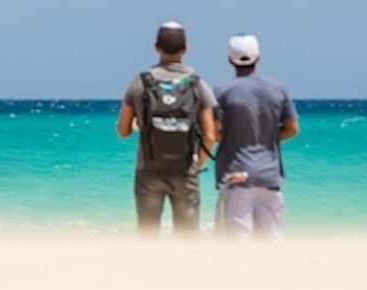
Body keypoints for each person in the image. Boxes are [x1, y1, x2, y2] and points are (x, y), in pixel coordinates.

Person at [116, 21, 218, 235]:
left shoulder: (139, 83)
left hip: (148, 172)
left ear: (156, 47)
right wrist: (196, 164)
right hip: (184, 172)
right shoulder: (197, 85)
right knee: (187, 237)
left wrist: (137, 124)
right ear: (185, 49)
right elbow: (210, 135)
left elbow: (123, 132)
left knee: (148, 235)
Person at [213, 34, 299, 239]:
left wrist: (232, 138)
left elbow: (214, 132)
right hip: (269, 176)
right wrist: (268, 137)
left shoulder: (221, 91)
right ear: (258, 57)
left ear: (229, 60)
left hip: (235, 176)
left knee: (237, 245)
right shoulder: (278, 89)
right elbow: (293, 128)